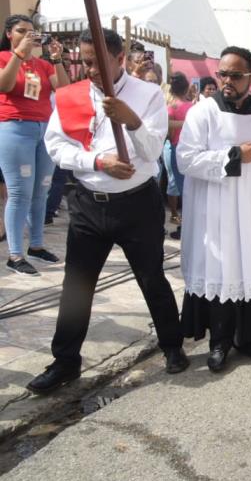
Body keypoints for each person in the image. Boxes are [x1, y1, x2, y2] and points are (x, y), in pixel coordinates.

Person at [27, 27, 189, 394]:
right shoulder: (70, 95)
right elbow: (57, 147)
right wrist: (98, 162)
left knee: (151, 278)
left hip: (137, 204)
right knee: (76, 286)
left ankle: (172, 346)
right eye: (86, 63)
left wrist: (132, 121)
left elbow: (151, 152)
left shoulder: (147, 94)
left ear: (119, 59)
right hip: (89, 203)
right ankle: (65, 361)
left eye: (98, 63)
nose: (91, 71)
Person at [176, 46, 251, 372]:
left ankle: (248, 337)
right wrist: (234, 156)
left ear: (250, 77)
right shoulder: (202, 112)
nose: (227, 81)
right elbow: (185, 159)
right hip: (215, 208)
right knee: (222, 269)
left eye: (235, 75)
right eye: (223, 74)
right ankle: (219, 342)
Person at [0, 14, 69, 275]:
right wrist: (19, 54)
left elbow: (64, 90)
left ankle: (36, 245)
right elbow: (4, 85)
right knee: (19, 192)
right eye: (21, 31)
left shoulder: (43, 65)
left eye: (32, 31)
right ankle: (15, 254)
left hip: (44, 130)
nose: (28, 35)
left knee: (42, 190)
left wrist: (57, 59)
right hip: (15, 128)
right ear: (9, 34)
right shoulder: (4, 58)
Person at [163, 72, 191, 229]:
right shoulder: (194, 107)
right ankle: (188, 222)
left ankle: (181, 221)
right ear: (187, 88)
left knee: (178, 186)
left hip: (176, 149)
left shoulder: (171, 108)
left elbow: (169, 133)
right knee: (190, 188)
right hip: (192, 150)